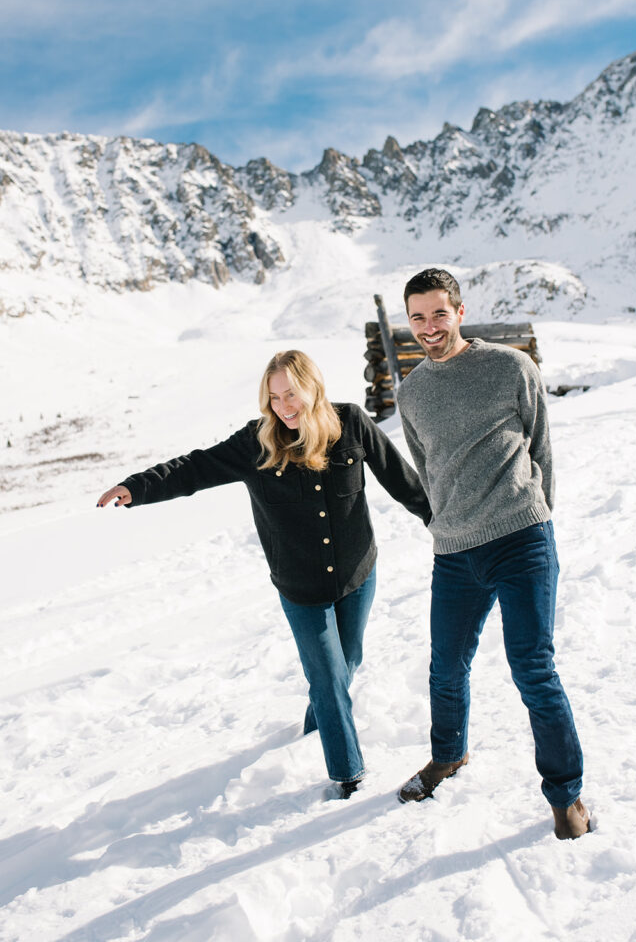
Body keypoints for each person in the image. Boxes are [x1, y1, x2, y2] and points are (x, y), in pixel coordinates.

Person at [97, 349, 430, 799]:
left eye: (291, 394)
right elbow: (195, 467)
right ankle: (348, 774)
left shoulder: (351, 423)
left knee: (347, 662)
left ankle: (319, 726)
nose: (284, 406)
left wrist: (437, 519)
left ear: (313, 389)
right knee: (329, 678)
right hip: (301, 588)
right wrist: (137, 486)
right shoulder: (256, 444)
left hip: (357, 573)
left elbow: (400, 477)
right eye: (274, 398)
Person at [395, 268, 590, 840]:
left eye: (438, 312)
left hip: (520, 539)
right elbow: (427, 467)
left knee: (532, 668)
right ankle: (448, 754)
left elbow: (540, 447)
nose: (429, 326)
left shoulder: (510, 367)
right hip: (455, 551)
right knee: (444, 666)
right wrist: (446, 524)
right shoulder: (411, 391)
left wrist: (533, 517)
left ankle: (565, 795)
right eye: (417, 316)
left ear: (459, 310)